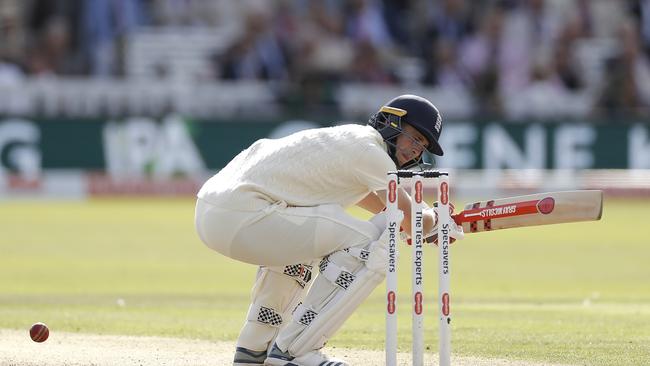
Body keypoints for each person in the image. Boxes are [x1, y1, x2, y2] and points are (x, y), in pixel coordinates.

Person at [194, 94, 464, 366]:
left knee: (308, 241)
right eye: (415, 137)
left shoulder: (348, 142)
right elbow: (407, 219)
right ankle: (297, 350)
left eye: (423, 145)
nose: (417, 150)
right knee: (370, 241)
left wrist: (426, 219)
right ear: (392, 122)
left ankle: (253, 348)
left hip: (213, 211)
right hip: (244, 214)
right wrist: (436, 219)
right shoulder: (369, 152)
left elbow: (386, 208)